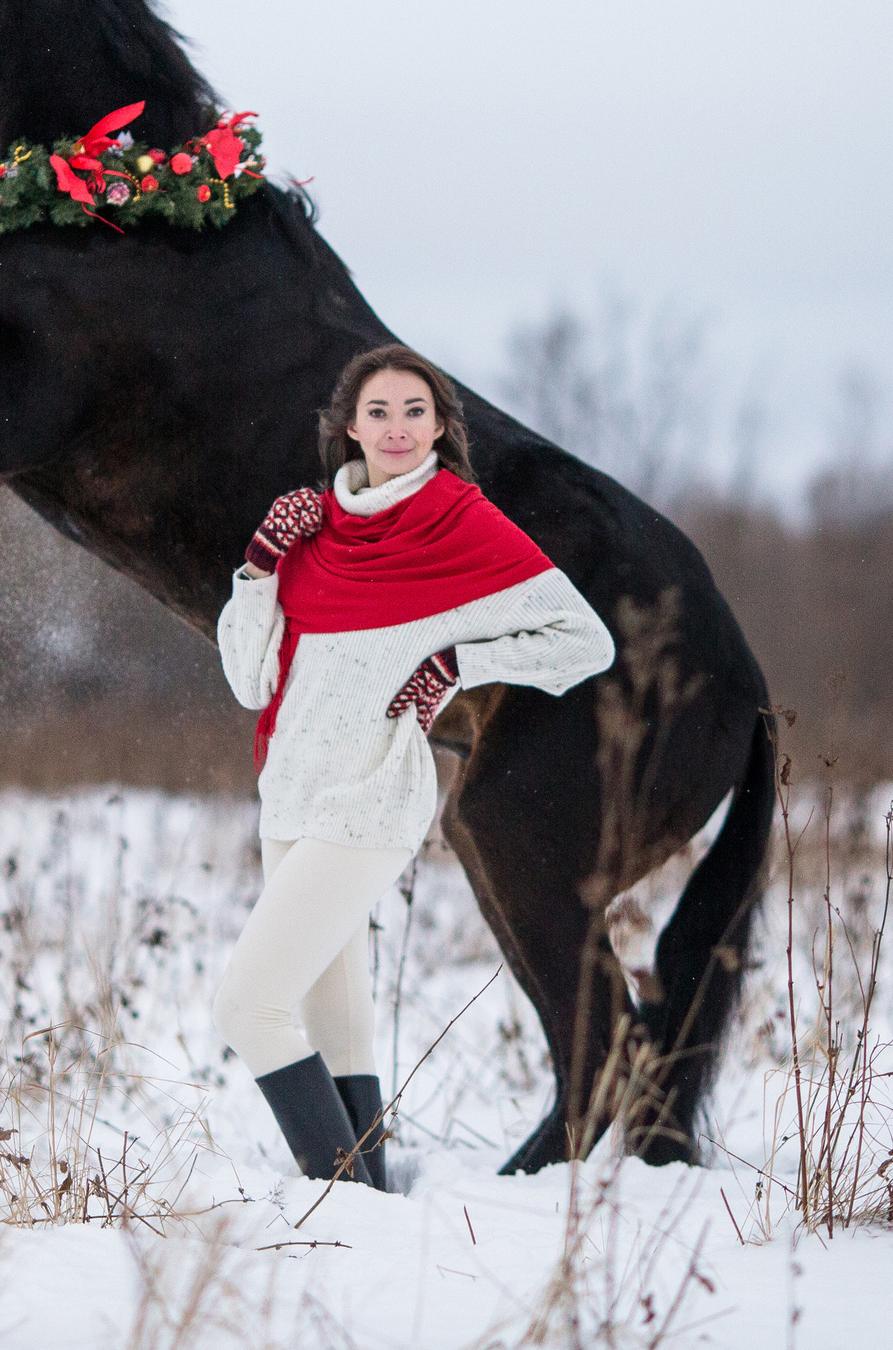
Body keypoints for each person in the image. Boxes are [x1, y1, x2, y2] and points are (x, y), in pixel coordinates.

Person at [213, 344, 615, 1190]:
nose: (397, 428)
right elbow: (252, 680)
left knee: (250, 1007)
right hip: (288, 793)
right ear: (349, 427)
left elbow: (583, 638)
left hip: (370, 798)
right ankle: (370, 1208)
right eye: (379, 412)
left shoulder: (457, 521)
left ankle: (338, 1202)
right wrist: (256, 567)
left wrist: (458, 663)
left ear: (440, 426)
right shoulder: (310, 530)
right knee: (334, 1023)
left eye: (415, 412)